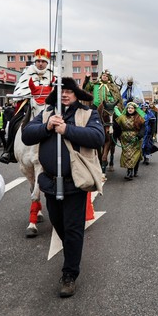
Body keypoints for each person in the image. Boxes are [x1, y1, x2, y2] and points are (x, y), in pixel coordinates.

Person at [21, 77, 104, 297]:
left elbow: (97, 137)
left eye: (68, 91)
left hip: (75, 184)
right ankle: (72, 254)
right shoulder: (47, 113)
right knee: (59, 225)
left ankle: (69, 274)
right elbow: (27, 135)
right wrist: (47, 126)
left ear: (76, 94)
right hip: (50, 182)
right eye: (61, 91)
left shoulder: (88, 114)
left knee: (73, 230)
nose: (64, 94)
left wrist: (66, 129)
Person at [115, 102, 145, 179]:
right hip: (125, 140)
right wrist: (116, 133)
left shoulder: (139, 118)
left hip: (136, 140)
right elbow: (117, 126)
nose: (130, 109)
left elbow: (143, 128)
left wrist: (139, 136)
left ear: (134, 109)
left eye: (131, 108)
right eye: (128, 108)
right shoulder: (122, 117)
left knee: (135, 155)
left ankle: (134, 171)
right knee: (128, 155)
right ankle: (129, 172)